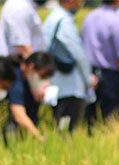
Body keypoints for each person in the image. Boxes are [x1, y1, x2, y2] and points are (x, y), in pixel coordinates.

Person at [43, 0, 94, 132]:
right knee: (66, 130)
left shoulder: (52, 18)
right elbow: (79, 54)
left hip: (56, 83)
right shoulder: (64, 21)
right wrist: (88, 79)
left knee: (59, 125)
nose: (81, 4)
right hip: (70, 86)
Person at [82, 0, 119, 125]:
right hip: (110, 77)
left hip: (90, 74)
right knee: (111, 119)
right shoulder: (117, 21)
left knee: (91, 118)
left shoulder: (89, 17)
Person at [3, 52, 56, 142]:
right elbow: (19, 115)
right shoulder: (15, 80)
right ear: (31, 68)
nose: (44, 81)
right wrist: (40, 138)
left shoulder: (30, 81)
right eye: (42, 77)